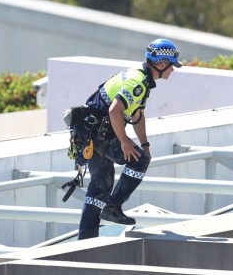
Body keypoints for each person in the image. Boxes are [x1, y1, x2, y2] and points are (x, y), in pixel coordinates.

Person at [73, 38, 182, 239]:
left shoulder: (142, 79)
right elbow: (115, 111)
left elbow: (137, 114)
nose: (173, 70)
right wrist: (125, 142)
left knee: (100, 187)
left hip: (91, 134)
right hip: (100, 132)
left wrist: (145, 144)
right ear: (160, 63)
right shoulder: (138, 82)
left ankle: (85, 241)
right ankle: (113, 206)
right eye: (172, 65)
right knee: (139, 161)